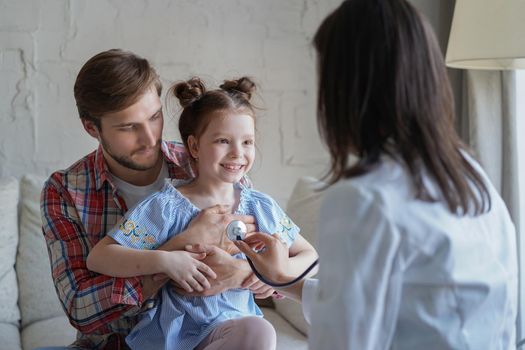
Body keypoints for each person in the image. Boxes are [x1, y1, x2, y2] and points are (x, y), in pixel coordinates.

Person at [236, 0, 518, 349]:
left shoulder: (364, 196)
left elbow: (345, 339)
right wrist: (281, 280)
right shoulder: (469, 174)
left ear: (348, 88)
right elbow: (398, 301)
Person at [40, 49, 262, 349]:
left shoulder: (209, 160)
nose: (150, 138)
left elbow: (274, 266)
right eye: (128, 126)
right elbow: (81, 309)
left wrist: (243, 272)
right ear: (92, 128)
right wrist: (176, 249)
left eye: (154, 117)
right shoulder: (65, 190)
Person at [85, 76, 317, 350]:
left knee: (260, 331)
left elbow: (310, 255)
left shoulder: (260, 206)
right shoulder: (166, 206)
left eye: (247, 142)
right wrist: (165, 261)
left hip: (234, 331)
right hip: (176, 336)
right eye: (223, 141)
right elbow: (99, 258)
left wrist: (274, 274)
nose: (237, 153)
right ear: (194, 146)